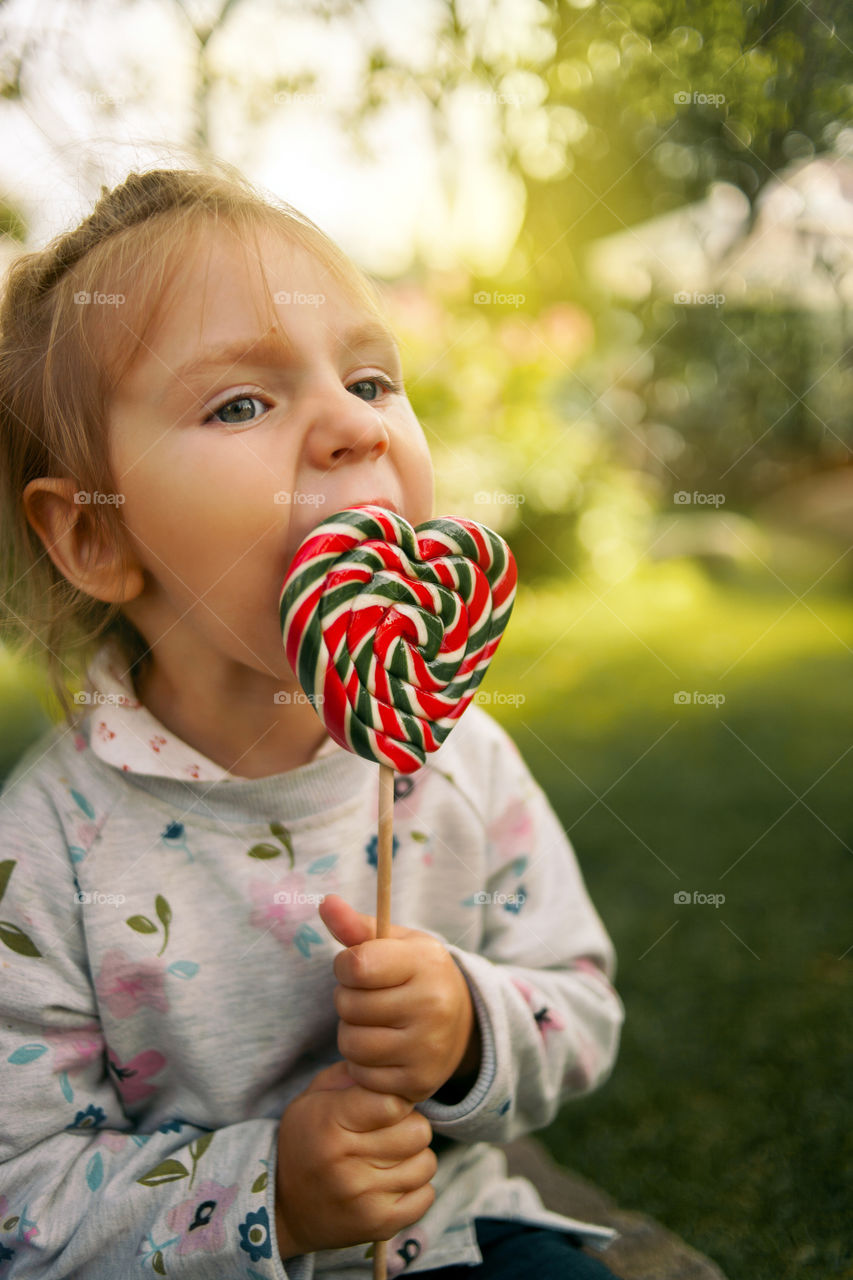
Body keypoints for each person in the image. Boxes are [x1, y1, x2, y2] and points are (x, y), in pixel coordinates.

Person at [0, 163, 626, 1279]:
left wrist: (470, 1024)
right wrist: (269, 1193)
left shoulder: (454, 753)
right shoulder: (47, 846)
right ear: (95, 534)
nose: (350, 424)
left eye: (373, 379)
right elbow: (25, 1198)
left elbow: (578, 1005)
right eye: (240, 402)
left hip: (444, 1236)